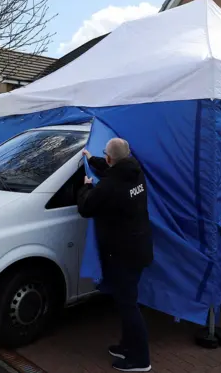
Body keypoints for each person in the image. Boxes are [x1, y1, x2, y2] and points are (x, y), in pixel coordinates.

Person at [77, 138, 154, 372]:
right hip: (138, 249)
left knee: (128, 305)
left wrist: (86, 185)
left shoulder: (108, 187)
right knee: (126, 303)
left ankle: (141, 359)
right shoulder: (136, 173)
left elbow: (86, 207)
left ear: (110, 158)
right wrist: (91, 159)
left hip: (123, 255)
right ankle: (127, 346)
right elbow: (112, 169)